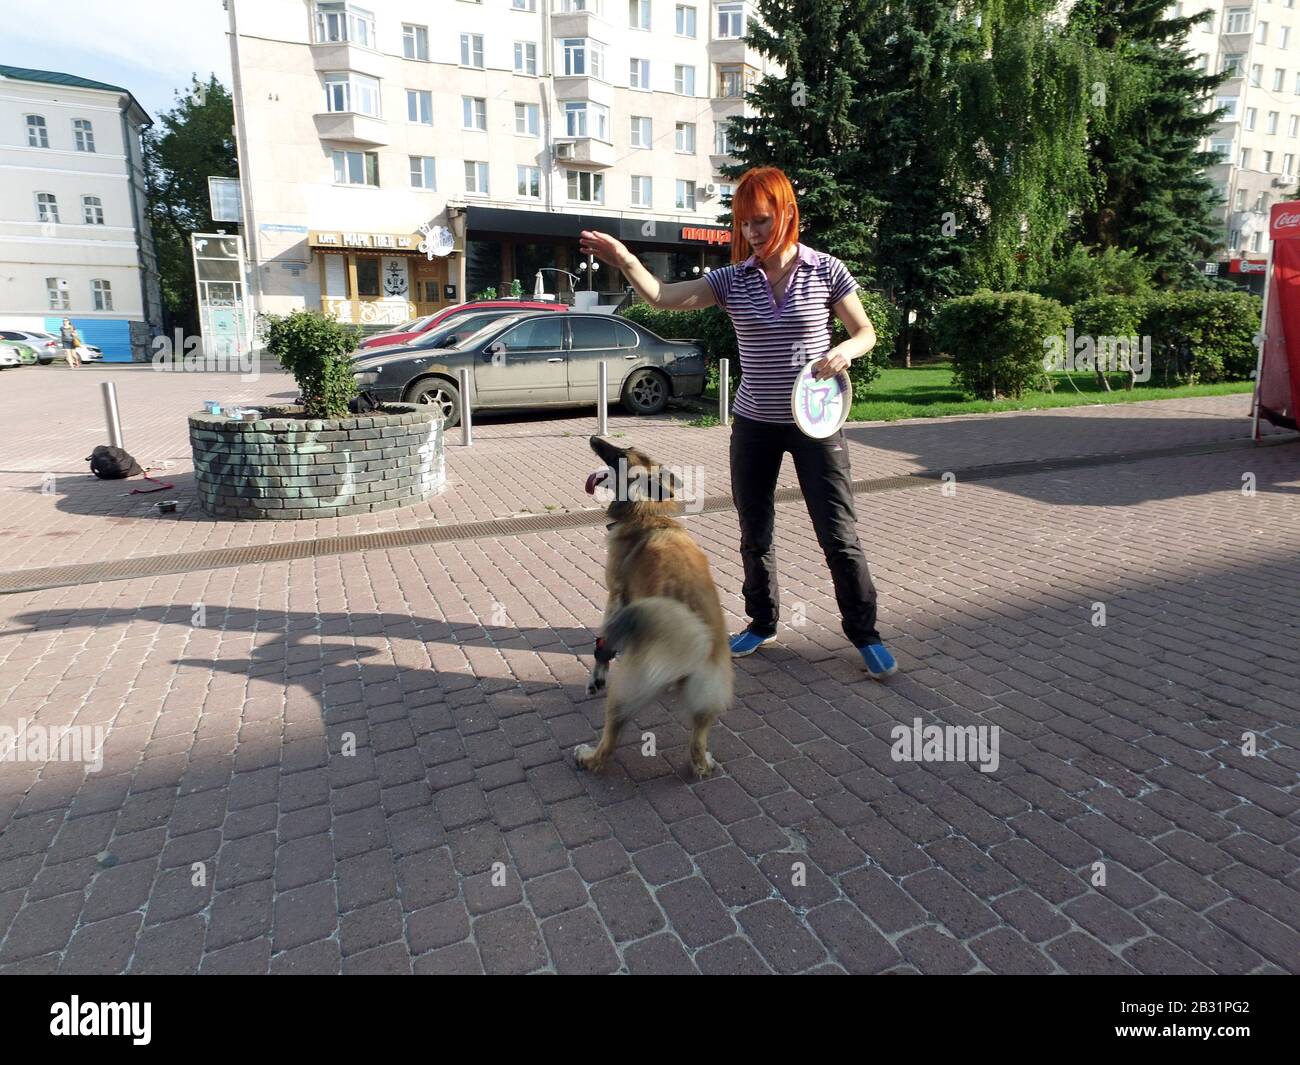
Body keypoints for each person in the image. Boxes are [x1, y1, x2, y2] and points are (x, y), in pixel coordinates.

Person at [578, 166, 898, 679]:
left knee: (837, 532)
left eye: (762, 220)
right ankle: (762, 622)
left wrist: (845, 351)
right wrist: (625, 259)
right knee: (755, 531)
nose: (751, 232)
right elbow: (663, 296)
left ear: (787, 215)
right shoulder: (732, 280)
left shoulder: (825, 270)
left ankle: (865, 633)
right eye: (744, 223)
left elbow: (866, 331)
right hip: (754, 423)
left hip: (816, 424)